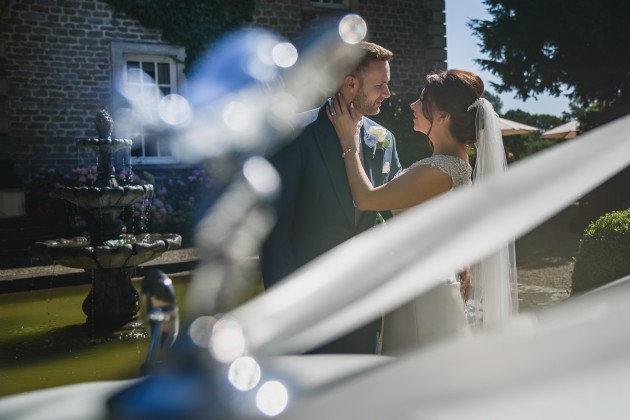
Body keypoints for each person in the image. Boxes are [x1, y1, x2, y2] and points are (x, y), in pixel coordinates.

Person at [327, 69, 518, 353]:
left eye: (422, 100)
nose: (413, 105)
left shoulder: (441, 169)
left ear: (443, 116)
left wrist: (348, 141)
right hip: (425, 287)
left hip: (423, 298)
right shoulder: (450, 164)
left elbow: (367, 199)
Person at [260, 42, 403, 354]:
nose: (387, 94)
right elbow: (275, 229)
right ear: (350, 83)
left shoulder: (384, 139)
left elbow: (398, 211)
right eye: (380, 86)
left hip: (366, 301)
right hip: (306, 305)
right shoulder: (294, 133)